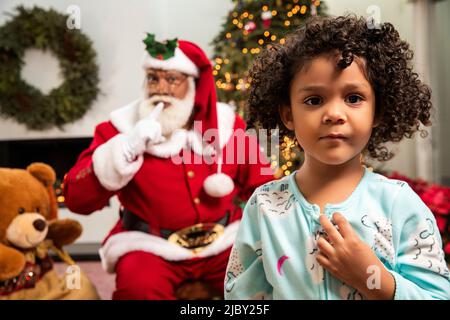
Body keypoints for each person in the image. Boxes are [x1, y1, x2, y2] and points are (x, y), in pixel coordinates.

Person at [224, 15, 450, 300]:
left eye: (353, 98)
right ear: (288, 115)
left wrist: (372, 278)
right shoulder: (264, 207)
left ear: (377, 112)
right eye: (314, 100)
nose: (334, 114)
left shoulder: (398, 204)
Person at [63, 33, 273, 299]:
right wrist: (125, 148)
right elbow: (75, 199)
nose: (160, 88)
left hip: (224, 243)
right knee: (137, 289)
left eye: (172, 79)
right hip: (150, 247)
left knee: (265, 280)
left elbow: (264, 187)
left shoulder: (227, 125)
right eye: (153, 78)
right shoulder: (118, 130)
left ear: (193, 85)